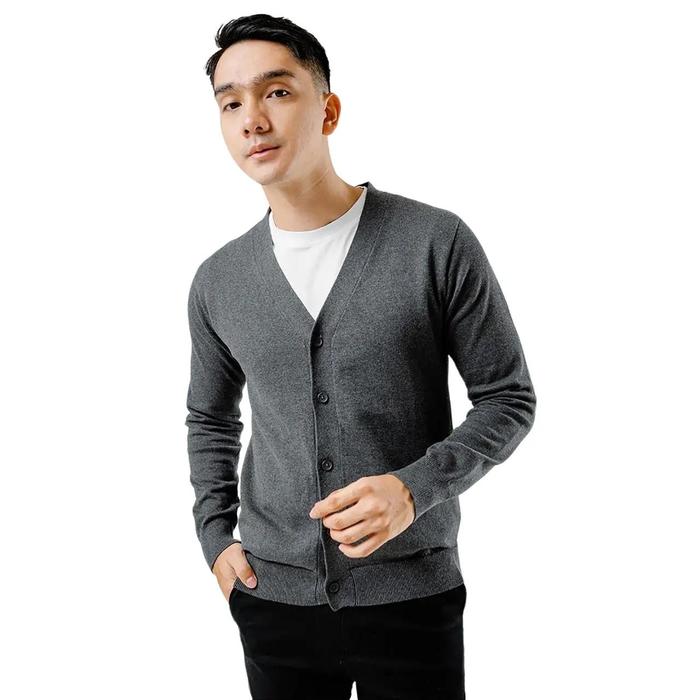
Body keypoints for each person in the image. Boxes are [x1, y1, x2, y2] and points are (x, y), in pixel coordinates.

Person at [185, 13, 536, 700]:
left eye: (276, 92)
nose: (253, 119)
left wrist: (414, 489)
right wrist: (215, 540)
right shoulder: (218, 281)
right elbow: (210, 419)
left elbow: (508, 398)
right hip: (271, 598)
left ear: (328, 110)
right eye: (230, 103)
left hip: (412, 595)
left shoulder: (434, 242)